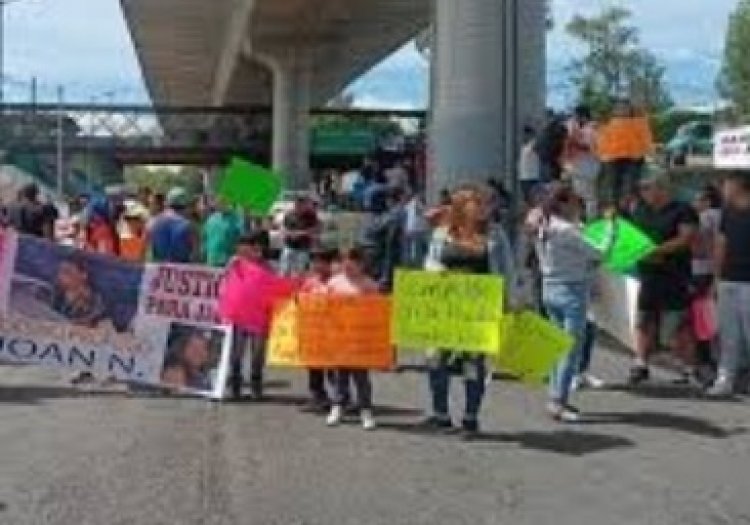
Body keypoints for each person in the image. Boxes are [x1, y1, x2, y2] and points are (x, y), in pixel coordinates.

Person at [422, 186, 515, 438]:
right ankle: (440, 414)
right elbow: (429, 262)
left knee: (474, 363)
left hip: (479, 309)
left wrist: (510, 303)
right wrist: (436, 271)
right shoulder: (442, 233)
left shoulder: (496, 235)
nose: (485, 209)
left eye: (485, 204)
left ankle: (470, 417)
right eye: (478, 204)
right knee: (436, 359)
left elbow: (507, 269)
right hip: (446, 306)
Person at [535, 186, 614, 421]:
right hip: (571, 290)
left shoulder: (545, 226)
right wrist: (610, 228)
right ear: (564, 205)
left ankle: (554, 395)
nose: (579, 207)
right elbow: (600, 253)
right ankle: (558, 401)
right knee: (571, 349)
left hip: (549, 287)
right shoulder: (568, 230)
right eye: (576, 203)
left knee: (558, 345)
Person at [628, 173, 699, 386]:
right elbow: (632, 234)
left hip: (674, 274)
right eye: (642, 189)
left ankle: (690, 367)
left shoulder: (683, 210)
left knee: (678, 323)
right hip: (648, 273)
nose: (643, 193)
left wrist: (658, 251)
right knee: (643, 318)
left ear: (661, 189)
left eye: (646, 188)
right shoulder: (640, 209)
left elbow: (687, 238)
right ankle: (640, 363)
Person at [325, 248, 380, 431]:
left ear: (362, 265)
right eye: (345, 263)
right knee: (340, 375)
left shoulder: (369, 285)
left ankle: (365, 409)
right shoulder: (334, 283)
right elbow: (323, 307)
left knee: (361, 376)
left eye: (353, 264)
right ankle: (338, 406)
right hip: (340, 336)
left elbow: (377, 311)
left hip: (359, 338)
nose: (348, 267)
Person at [708, 172, 750, 397]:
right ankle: (725, 379)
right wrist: (716, 278)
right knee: (728, 334)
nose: (723, 190)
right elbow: (720, 244)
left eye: (726, 186)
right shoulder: (727, 212)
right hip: (728, 280)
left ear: (739, 187)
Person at [227, 231, 272, 400]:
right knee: (236, 353)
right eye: (241, 247)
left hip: (258, 317)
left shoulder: (266, 266)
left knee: (257, 354)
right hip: (239, 316)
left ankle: (256, 386)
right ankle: (235, 386)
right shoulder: (235, 264)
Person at [300, 247, 338, 412]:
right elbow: (300, 299)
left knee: (333, 368)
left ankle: (341, 398)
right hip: (314, 333)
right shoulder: (310, 282)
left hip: (333, 334)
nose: (316, 265)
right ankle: (318, 396)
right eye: (313, 262)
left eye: (320, 262)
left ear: (329, 264)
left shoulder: (336, 282)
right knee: (314, 368)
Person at [691, 184, 722, 372]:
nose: (694, 203)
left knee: (702, 316)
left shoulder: (706, 217)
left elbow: (700, 246)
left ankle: (705, 359)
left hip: (701, 271)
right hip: (719, 272)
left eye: (698, 199)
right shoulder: (725, 215)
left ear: (707, 201)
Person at [563, 105, 600, 219]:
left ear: (583, 117)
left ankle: (591, 222)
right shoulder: (579, 129)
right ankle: (579, 220)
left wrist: (574, 143)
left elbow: (591, 148)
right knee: (577, 195)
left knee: (590, 198)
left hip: (588, 167)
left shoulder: (592, 129)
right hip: (578, 167)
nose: (575, 119)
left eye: (577, 116)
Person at [146, 187, 196, 264]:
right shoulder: (188, 226)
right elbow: (195, 254)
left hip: (158, 272)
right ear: (185, 205)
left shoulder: (152, 223)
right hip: (181, 272)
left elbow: (149, 252)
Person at [279, 197, 320, 276]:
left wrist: (299, 233)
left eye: (301, 205)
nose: (299, 207)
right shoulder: (289, 214)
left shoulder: (311, 216)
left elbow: (315, 229)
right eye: (297, 205)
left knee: (300, 271)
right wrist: (289, 233)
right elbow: (283, 227)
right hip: (289, 245)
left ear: (305, 205)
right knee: (284, 269)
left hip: (303, 248)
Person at [203, 200, 244, 267]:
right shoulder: (210, 219)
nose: (220, 204)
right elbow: (205, 239)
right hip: (212, 260)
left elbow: (242, 239)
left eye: (223, 201)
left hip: (228, 261)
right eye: (218, 201)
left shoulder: (236, 219)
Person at [402, 192, 430, 268]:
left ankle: (413, 264)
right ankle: (414, 264)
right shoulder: (415, 205)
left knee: (414, 250)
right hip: (415, 230)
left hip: (413, 230)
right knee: (415, 250)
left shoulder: (410, 205)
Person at [519, 126, 541, 204]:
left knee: (533, 200)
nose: (525, 136)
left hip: (531, 178)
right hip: (526, 178)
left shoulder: (531, 145)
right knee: (529, 201)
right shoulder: (526, 147)